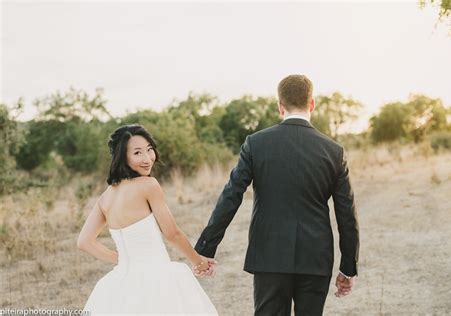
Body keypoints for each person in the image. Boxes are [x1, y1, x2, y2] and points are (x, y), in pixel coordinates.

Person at [195, 74, 360, 315]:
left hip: (269, 255)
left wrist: (206, 248)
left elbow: (231, 196)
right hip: (315, 257)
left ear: (280, 106)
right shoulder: (333, 151)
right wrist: (348, 267)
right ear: (312, 103)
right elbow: (347, 214)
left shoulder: (256, 144)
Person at [77, 124, 218, 315]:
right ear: (122, 156)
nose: (147, 158)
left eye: (149, 150)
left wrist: (123, 261)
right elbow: (172, 233)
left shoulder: (105, 197)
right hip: (157, 277)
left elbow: (84, 242)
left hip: (122, 281)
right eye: (137, 153)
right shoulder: (148, 185)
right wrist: (199, 262)